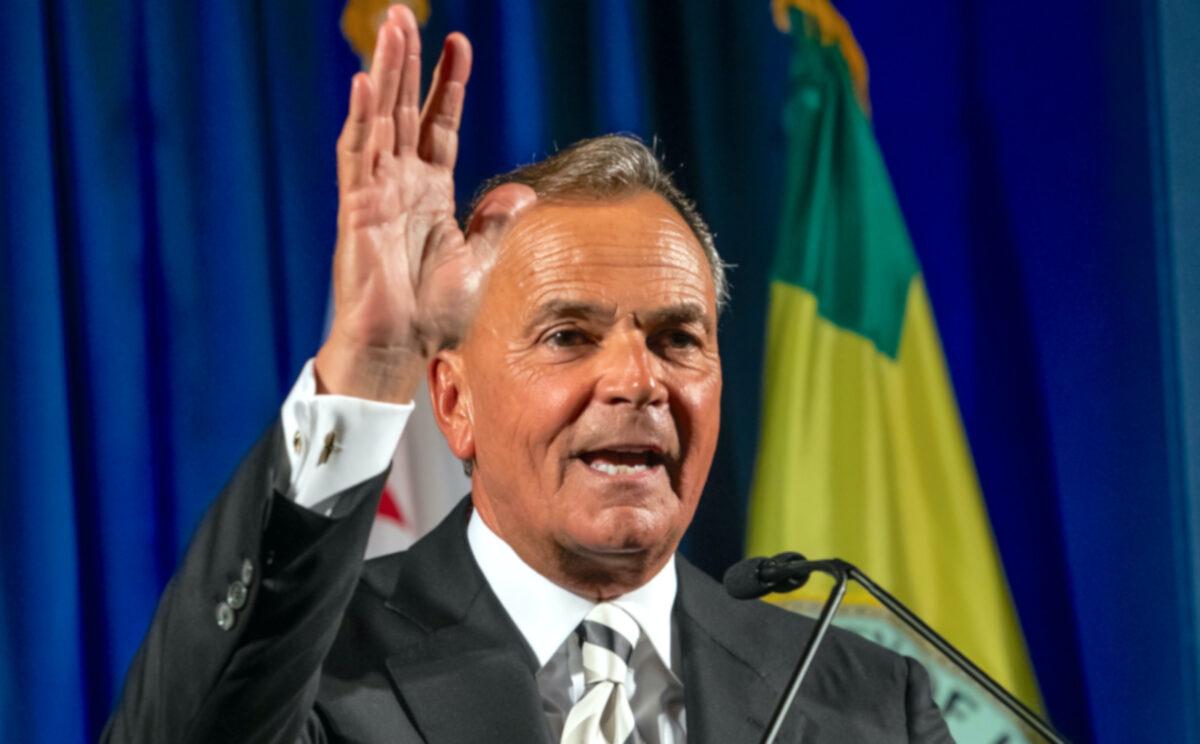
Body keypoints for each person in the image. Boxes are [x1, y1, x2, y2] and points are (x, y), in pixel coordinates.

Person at [103, 6, 951, 743]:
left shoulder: (871, 703)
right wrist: (369, 362)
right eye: (569, 336)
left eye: (676, 338)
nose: (636, 380)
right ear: (453, 401)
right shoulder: (322, 668)